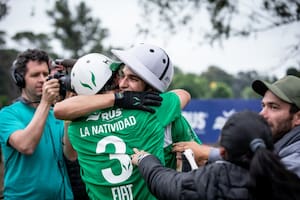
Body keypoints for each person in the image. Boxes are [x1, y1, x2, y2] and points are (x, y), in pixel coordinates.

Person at [54, 46, 191, 199]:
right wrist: (122, 99)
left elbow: (60, 112)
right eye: (117, 78)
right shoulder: (151, 111)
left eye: (131, 78)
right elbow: (183, 94)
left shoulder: (76, 126)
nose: (121, 84)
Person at [132, 111, 300, 200]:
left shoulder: (213, 179)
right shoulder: (288, 181)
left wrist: (145, 160)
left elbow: (166, 183)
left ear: (222, 152)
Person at [173, 75, 300, 176]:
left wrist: (210, 154)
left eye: (274, 107)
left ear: (298, 117)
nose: (262, 114)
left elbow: (265, 179)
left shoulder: (295, 156)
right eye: (263, 106)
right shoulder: (279, 142)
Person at [0, 49, 73, 199]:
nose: (42, 79)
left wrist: (68, 110)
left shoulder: (57, 113)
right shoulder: (7, 114)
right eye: (35, 75)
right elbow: (26, 145)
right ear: (20, 79)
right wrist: (46, 102)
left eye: (45, 74)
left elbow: (70, 155)